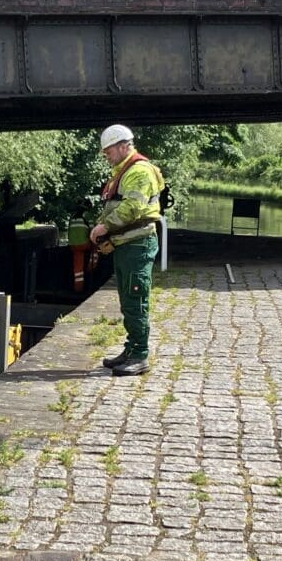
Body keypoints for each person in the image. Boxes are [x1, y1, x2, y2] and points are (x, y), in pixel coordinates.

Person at [89, 124, 165, 376]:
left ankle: (140, 355)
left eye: (108, 151)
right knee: (128, 300)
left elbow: (132, 208)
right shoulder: (124, 170)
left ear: (123, 146)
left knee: (136, 299)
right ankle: (130, 349)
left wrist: (103, 227)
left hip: (137, 245)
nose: (106, 156)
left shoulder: (139, 172)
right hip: (126, 245)